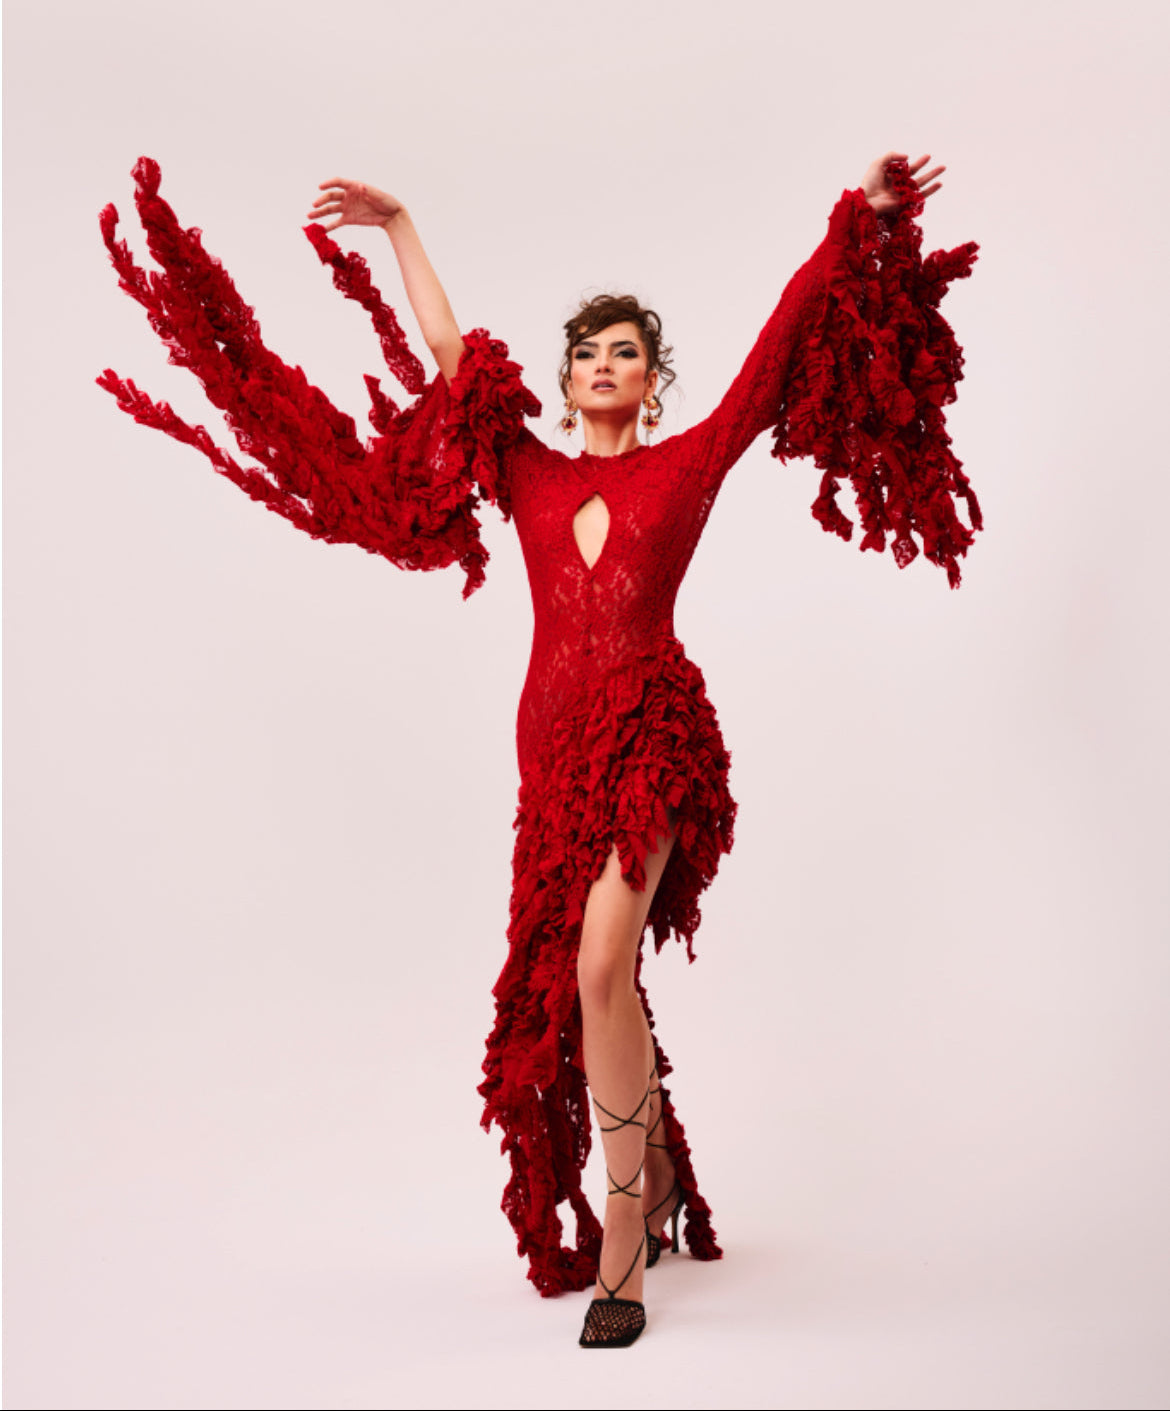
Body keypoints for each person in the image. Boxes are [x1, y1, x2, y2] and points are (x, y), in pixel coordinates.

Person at [98, 151, 979, 1348]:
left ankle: (626, 1223)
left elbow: (780, 343)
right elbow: (458, 363)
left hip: (652, 734)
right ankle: (654, 1164)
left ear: (652, 384)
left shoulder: (691, 459)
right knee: (580, 982)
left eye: (626, 352)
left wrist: (857, 221)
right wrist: (403, 223)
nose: (604, 364)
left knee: (600, 965)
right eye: (588, 352)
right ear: (566, 382)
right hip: (550, 756)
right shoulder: (530, 470)